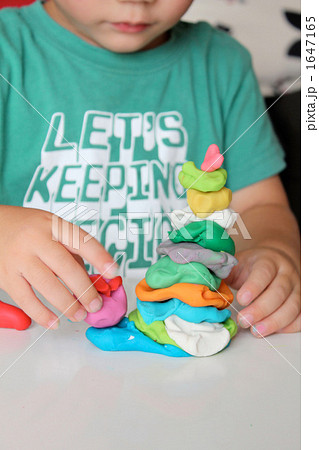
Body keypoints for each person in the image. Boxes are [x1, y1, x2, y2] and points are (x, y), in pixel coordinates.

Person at [0, 0, 300, 337]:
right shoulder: (6, 48)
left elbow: (261, 205)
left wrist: (274, 251)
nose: (136, 2)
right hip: (35, 346)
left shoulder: (222, 62)